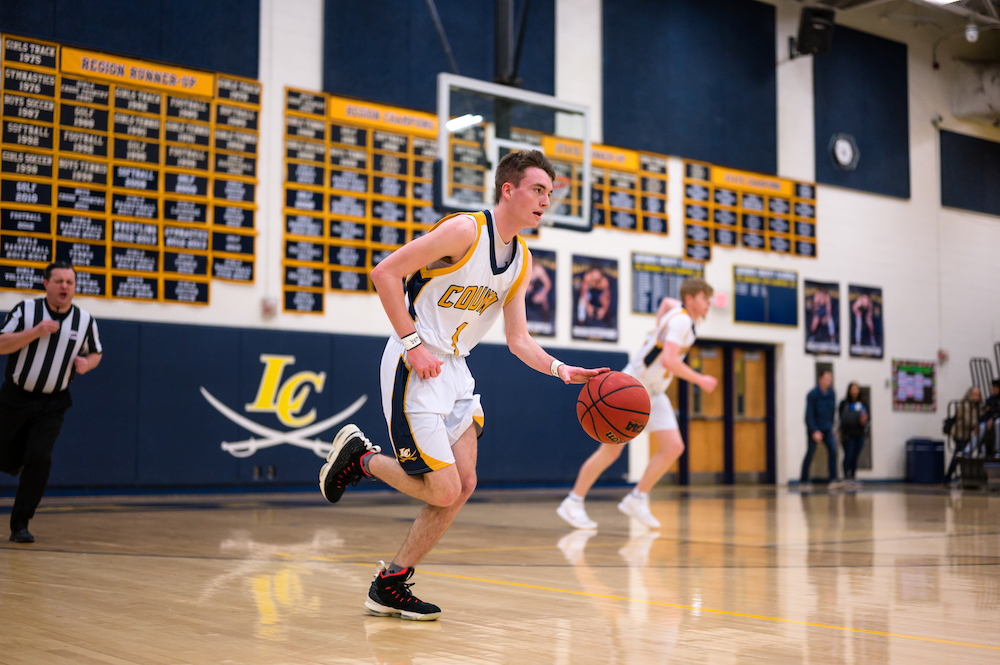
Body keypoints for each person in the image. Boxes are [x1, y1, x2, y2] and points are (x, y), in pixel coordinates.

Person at [317, 150, 608, 621]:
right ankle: (362, 459)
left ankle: (391, 583)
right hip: (416, 362)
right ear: (507, 190)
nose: (545, 201)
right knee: (443, 489)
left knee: (464, 484)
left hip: (455, 368)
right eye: (538, 190)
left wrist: (562, 370)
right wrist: (412, 343)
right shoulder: (464, 232)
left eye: (550, 194)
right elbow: (384, 273)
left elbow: (518, 340)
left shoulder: (522, 259)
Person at [557, 280, 718, 530]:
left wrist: (656, 331)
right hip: (634, 385)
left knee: (673, 446)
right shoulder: (682, 321)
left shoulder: (678, 309)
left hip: (654, 389)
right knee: (611, 451)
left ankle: (637, 498)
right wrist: (700, 379)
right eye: (705, 298)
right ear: (691, 299)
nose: (709, 304)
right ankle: (573, 502)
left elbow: (665, 302)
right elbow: (668, 361)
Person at [0, 261, 102, 543]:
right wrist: (36, 332)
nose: (64, 287)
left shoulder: (84, 321)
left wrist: (86, 364)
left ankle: (20, 524)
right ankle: (14, 459)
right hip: (15, 397)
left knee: (40, 459)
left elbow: (96, 353)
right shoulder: (26, 310)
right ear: (46, 284)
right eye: (58, 281)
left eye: (70, 282)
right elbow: (1, 344)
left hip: (53, 403)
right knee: (5, 456)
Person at [800, 369, 842, 490]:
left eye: (830, 379)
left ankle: (833, 479)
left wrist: (832, 426)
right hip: (815, 428)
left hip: (827, 428)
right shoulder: (812, 394)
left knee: (833, 451)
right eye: (827, 378)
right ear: (820, 379)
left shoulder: (832, 393)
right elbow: (809, 415)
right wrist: (814, 430)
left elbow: (832, 411)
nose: (829, 381)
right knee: (810, 452)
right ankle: (803, 480)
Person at [945, 386, 982, 482]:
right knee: (958, 455)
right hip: (959, 433)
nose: (976, 397)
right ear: (970, 395)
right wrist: (976, 425)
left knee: (960, 456)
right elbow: (967, 421)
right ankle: (949, 477)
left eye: (978, 394)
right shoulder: (965, 405)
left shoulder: (977, 406)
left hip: (967, 435)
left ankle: (959, 476)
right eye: (974, 394)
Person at [838, 382, 868, 489]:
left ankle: (853, 477)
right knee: (848, 455)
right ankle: (846, 477)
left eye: (857, 389)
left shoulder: (863, 403)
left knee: (855, 456)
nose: (855, 391)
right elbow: (841, 418)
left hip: (859, 434)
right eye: (853, 388)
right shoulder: (844, 403)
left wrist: (863, 420)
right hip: (848, 434)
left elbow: (868, 417)